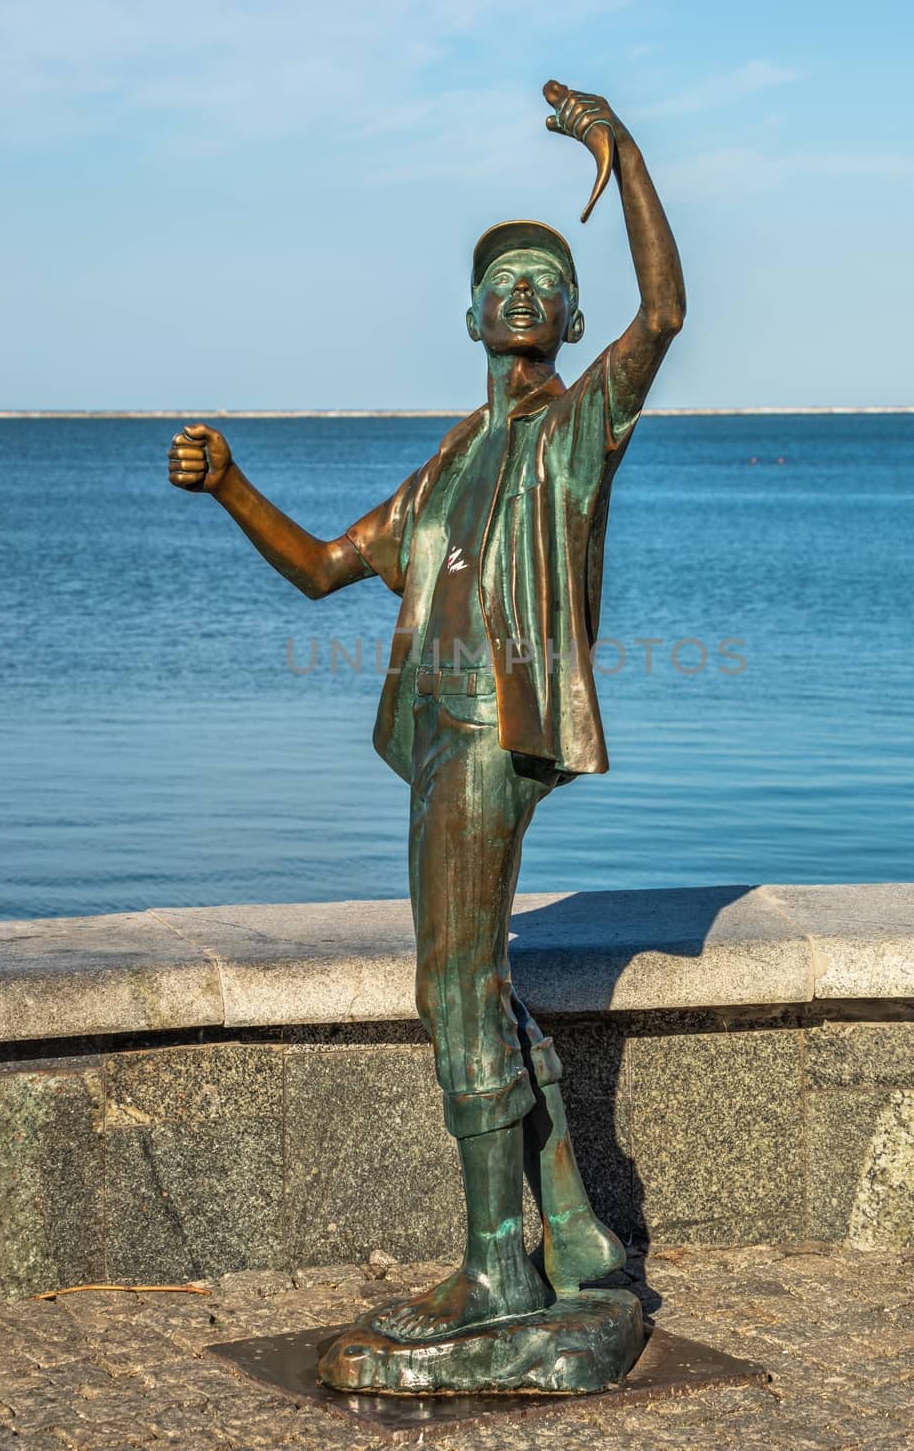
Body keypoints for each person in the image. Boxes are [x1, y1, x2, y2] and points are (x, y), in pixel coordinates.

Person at [167, 82, 685, 1343]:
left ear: (565, 318)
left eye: (539, 282)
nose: (519, 294)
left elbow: (665, 312)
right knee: (476, 978)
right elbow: (325, 565)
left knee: (451, 983)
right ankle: (571, 1226)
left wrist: (624, 155)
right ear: (469, 317)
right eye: (498, 281)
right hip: (434, 734)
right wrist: (233, 484)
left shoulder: (576, 431)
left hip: (488, 730)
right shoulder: (448, 464)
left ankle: (494, 1269)